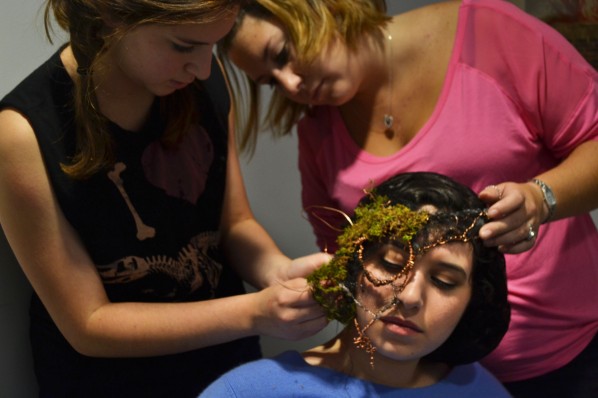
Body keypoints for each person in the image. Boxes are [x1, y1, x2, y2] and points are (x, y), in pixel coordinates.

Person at [221, 0, 598, 396]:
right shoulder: (317, 134)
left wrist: (540, 200)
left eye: (282, 55)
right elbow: (344, 265)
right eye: (271, 82)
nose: (291, 86)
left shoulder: (491, 34)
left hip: (565, 357)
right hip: (424, 379)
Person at [0, 0, 331, 396]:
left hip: (228, 370)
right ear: (110, 16)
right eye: (183, 46)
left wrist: (276, 272)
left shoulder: (201, 78)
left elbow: (234, 224)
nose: (204, 68)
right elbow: (88, 324)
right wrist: (255, 313)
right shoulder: (21, 134)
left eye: (214, 45)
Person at [200, 171, 512, 397]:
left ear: (473, 299)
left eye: (444, 281)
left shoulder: (478, 389)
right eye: (391, 262)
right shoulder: (248, 392)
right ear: (353, 263)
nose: (410, 295)